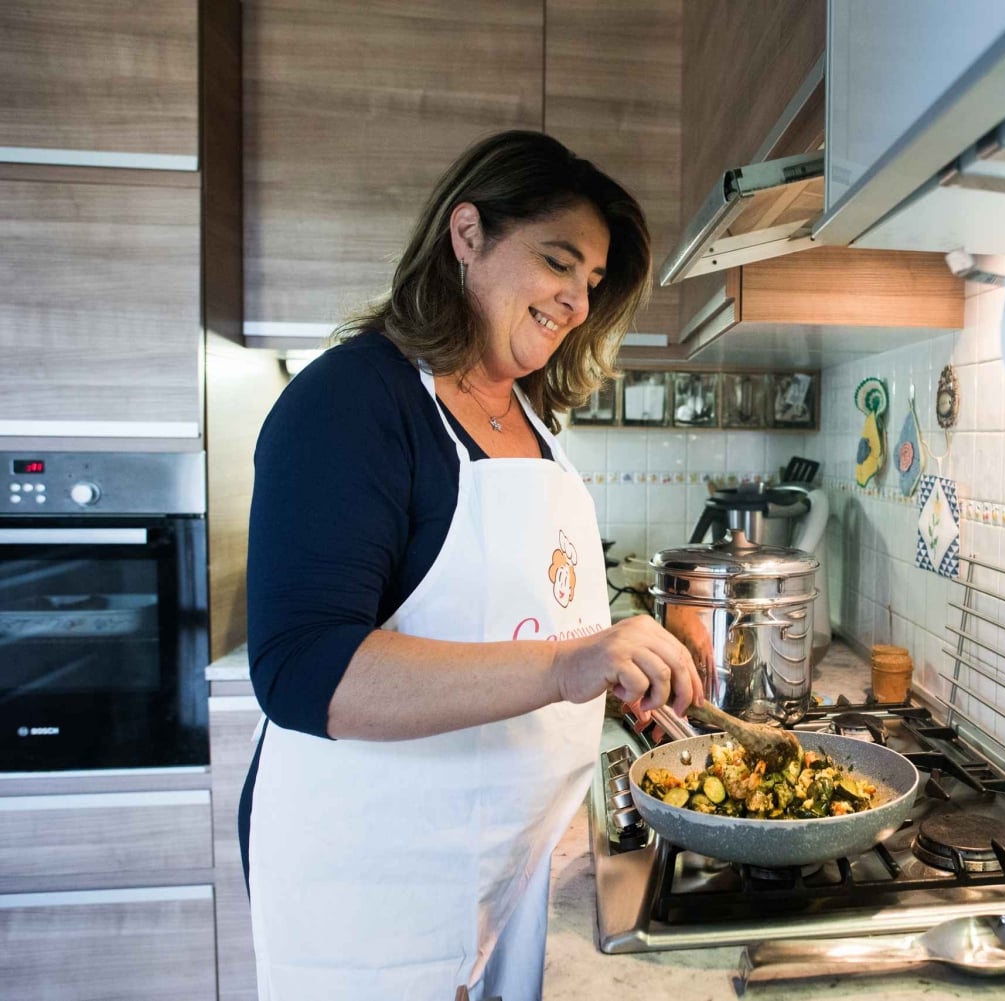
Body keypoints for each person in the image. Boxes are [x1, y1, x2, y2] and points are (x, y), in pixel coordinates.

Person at [241, 130, 702, 1001]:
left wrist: (613, 675)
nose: (573, 300)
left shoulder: (527, 418)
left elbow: (508, 632)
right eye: (556, 263)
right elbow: (304, 668)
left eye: (591, 284)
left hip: (509, 870)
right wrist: (571, 662)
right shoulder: (351, 400)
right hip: (378, 899)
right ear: (467, 235)